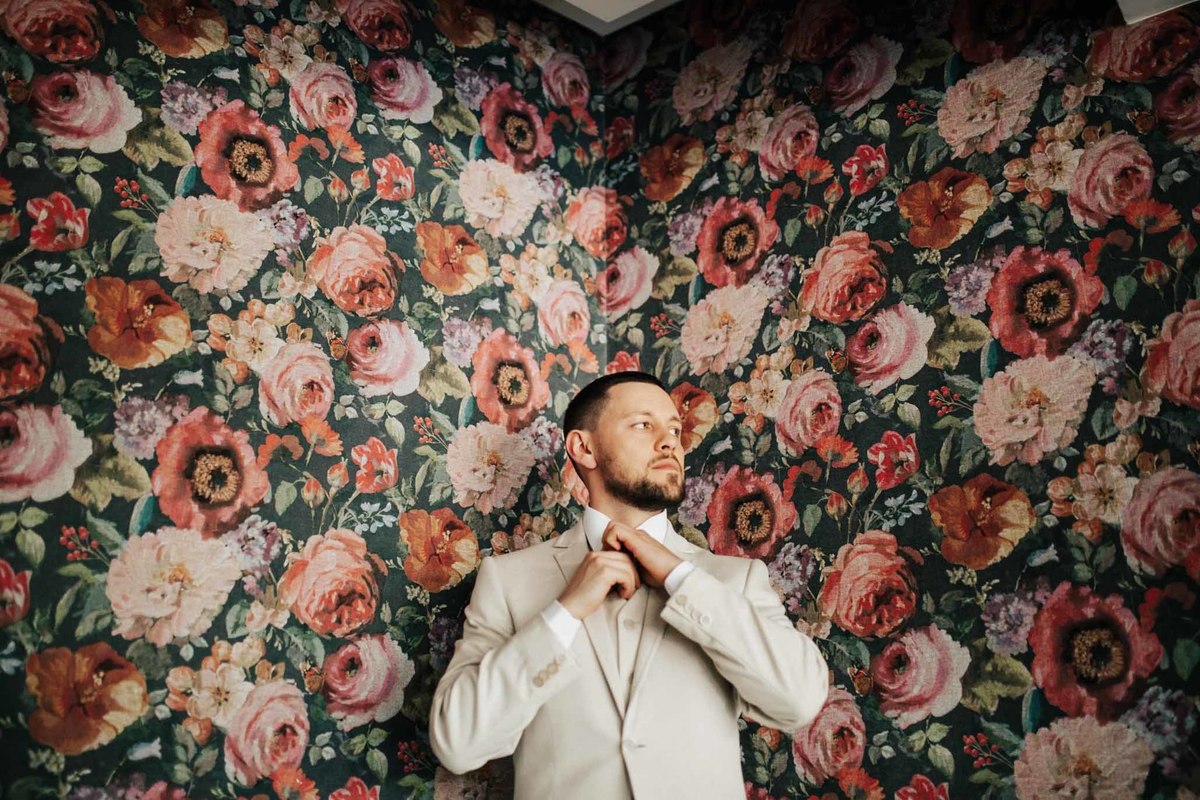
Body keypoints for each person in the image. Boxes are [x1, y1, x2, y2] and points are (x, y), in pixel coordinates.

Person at [429, 371, 830, 799]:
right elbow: (458, 744)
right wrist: (564, 613)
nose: (669, 442)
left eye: (674, 430)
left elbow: (800, 700)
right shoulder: (508, 580)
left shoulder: (734, 580)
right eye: (643, 424)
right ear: (583, 448)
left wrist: (680, 579)